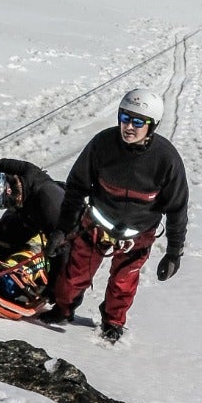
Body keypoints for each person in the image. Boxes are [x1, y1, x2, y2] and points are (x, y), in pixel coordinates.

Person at [43, 88, 188, 342]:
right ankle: (63, 309)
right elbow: (76, 187)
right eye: (125, 118)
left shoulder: (166, 160)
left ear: (152, 126)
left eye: (138, 122)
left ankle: (113, 322)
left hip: (137, 236)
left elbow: (177, 209)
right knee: (74, 274)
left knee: (124, 283)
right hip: (95, 226)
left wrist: (173, 253)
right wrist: (63, 229)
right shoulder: (102, 145)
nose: (129, 127)